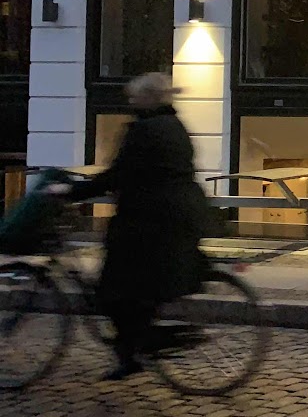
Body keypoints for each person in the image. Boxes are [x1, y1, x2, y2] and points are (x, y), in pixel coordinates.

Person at [57, 73, 210, 380]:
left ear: (149, 98)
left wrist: (71, 192)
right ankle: (131, 352)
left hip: (150, 224)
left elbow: (117, 175)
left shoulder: (143, 130)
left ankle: (141, 347)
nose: (130, 101)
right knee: (138, 292)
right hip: (181, 216)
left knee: (112, 292)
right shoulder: (175, 126)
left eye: (134, 96)